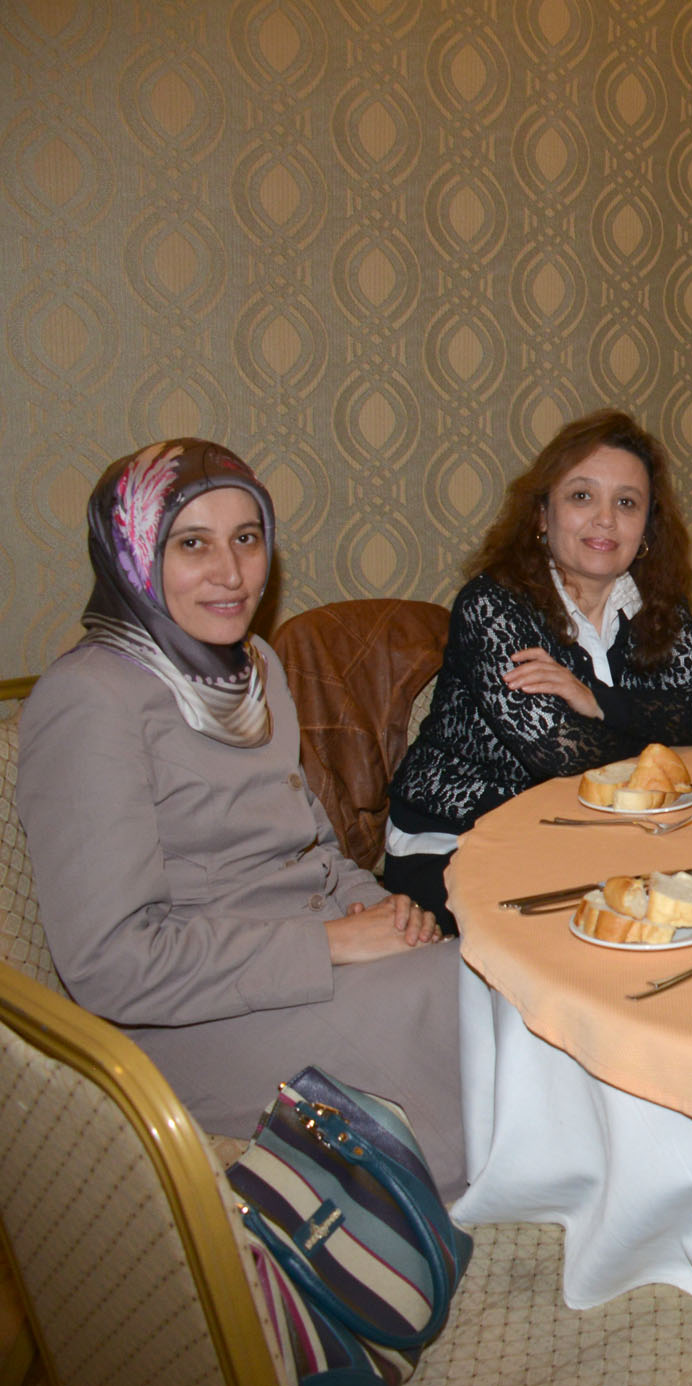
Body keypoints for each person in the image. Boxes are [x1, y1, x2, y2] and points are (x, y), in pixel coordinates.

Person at [17, 440, 467, 1199]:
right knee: (467, 1036)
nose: (231, 573)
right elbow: (112, 965)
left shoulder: (255, 663)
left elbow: (311, 845)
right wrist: (331, 945)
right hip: (195, 1020)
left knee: (492, 985)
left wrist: (379, 908)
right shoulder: (91, 698)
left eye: (247, 538)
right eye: (192, 544)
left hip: (306, 962)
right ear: (131, 553)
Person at [385, 411, 692, 930]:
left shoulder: (657, 604)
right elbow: (558, 750)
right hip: (456, 837)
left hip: (587, 835)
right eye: (582, 496)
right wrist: (658, 742)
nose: (605, 520)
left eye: (627, 503)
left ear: (648, 526)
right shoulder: (493, 605)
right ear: (542, 515)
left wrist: (597, 702)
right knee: (600, 927)